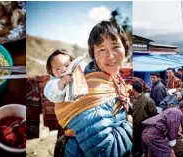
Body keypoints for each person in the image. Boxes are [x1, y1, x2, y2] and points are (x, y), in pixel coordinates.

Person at [57, 21, 132, 157]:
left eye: (115, 46)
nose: (110, 55)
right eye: (102, 49)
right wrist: (132, 124)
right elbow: (107, 151)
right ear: (93, 54)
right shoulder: (89, 94)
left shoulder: (113, 80)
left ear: (125, 48)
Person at [132, 81, 158, 156]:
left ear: (134, 90)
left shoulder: (148, 101)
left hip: (145, 128)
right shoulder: (132, 99)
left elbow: (154, 115)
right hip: (135, 128)